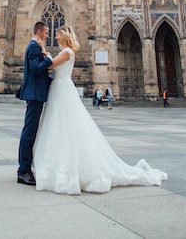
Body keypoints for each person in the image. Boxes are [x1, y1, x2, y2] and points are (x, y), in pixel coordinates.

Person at [33, 25, 167, 194]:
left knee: (65, 125)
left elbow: (50, 65)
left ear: (65, 36)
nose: (55, 37)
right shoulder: (66, 52)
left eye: (58, 34)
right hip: (60, 90)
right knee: (59, 125)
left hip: (62, 90)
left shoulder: (67, 52)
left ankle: (69, 170)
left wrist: (44, 49)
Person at [17, 21, 53, 186]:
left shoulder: (37, 46)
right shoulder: (33, 46)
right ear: (39, 32)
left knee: (31, 131)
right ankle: (23, 170)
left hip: (37, 93)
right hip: (34, 93)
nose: (47, 36)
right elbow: (35, 68)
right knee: (29, 132)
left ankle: (26, 168)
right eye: (46, 33)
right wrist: (49, 61)